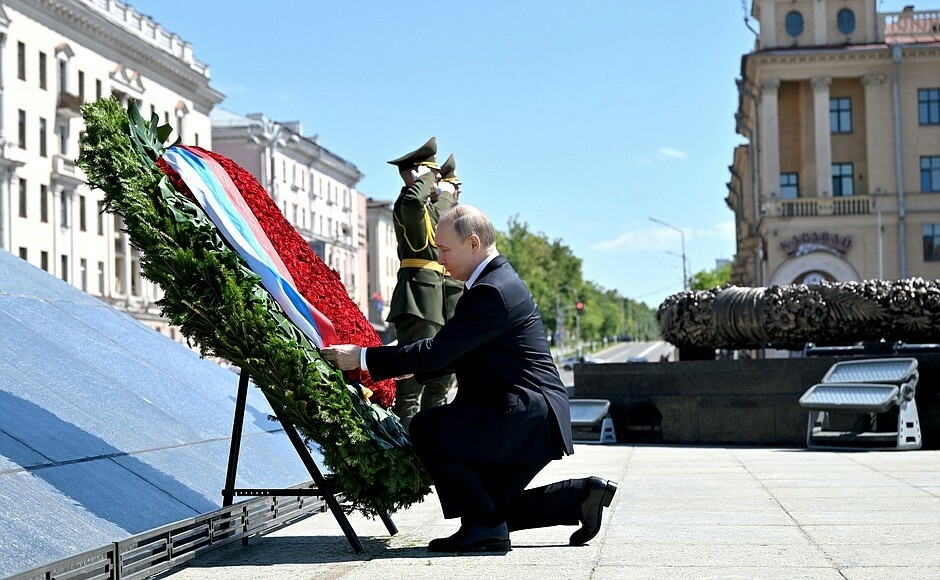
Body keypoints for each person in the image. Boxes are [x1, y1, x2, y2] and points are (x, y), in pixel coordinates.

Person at [321, 205, 617, 553]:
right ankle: (581, 498)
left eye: (444, 248)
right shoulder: (492, 283)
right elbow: (457, 350)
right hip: (530, 413)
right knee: (489, 508)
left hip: (526, 416)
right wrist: (410, 366)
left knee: (427, 429)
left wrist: (363, 357)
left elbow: (439, 350)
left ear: (473, 243)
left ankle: (488, 531)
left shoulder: (492, 290)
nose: (440, 257)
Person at [385, 137, 451, 429]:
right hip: (416, 295)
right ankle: (404, 446)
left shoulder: (427, 211)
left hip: (432, 297)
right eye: (431, 174)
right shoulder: (407, 205)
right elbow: (414, 200)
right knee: (410, 381)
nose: (435, 181)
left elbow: (445, 215)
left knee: (436, 374)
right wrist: (425, 178)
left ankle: (429, 440)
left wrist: (445, 192)